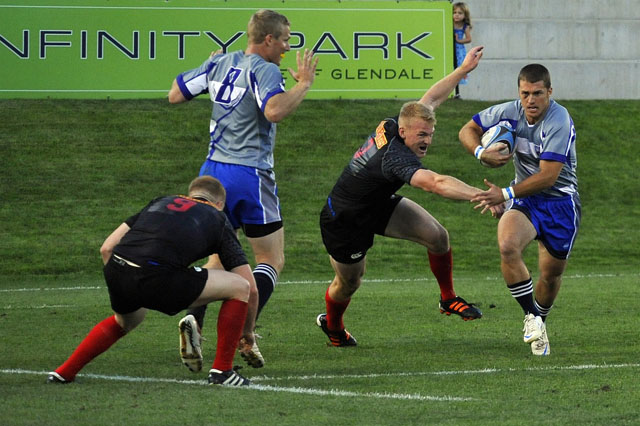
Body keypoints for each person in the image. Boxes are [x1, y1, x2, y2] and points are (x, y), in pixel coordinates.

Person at [168, 9, 319, 369]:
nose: (286, 47)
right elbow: (274, 111)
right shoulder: (264, 69)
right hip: (249, 174)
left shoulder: (219, 63)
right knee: (271, 259)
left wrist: (210, 68)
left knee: (219, 257)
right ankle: (242, 332)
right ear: (268, 39)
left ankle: (194, 318)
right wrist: (303, 85)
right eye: (284, 40)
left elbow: (175, 94)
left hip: (211, 173)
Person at [316, 46, 492, 348]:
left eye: (430, 134)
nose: (427, 141)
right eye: (421, 135)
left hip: (376, 203)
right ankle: (333, 327)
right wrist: (483, 195)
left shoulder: (394, 125)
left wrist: (463, 70)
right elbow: (435, 183)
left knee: (438, 237)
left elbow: (430, 100)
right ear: (405, 132)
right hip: (345, 219)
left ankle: (447, 299)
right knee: (349, 282)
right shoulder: (395, 158)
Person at [47, 176, 255, 386]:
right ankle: (222, 371)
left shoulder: (161, 201)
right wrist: (247, 332)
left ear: (191, 194)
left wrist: (128, 280)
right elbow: (251, 287)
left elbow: (107, 248)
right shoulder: (218, 218)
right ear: (220, 204)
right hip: (157, 276)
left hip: (118, 269)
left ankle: (64, 372)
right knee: (239, 287)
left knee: (125, 321)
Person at [459, 64, 580, 356]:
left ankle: (540, 322)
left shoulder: (559, 120)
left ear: (549, 92)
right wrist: (480, 152)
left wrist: (503, 194)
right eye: (525, 93)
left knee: (550, 275)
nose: (531, 100)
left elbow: (548, 177)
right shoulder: (509, 111)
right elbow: (468, 129)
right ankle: (531, 317)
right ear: (519, 92)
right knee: (507, 245)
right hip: (525, 201)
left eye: (537, 93)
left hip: (560, 203)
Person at [452, 2, 473, 99]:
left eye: (460, 13)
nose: (456, 15)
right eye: (454, 12)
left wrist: (458, 40)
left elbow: (469, 39)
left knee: (459, 67)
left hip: (459, 50)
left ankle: (457, 92)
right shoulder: (449, 23)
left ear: (465, 15)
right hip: (450, 48)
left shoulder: (465, 26)